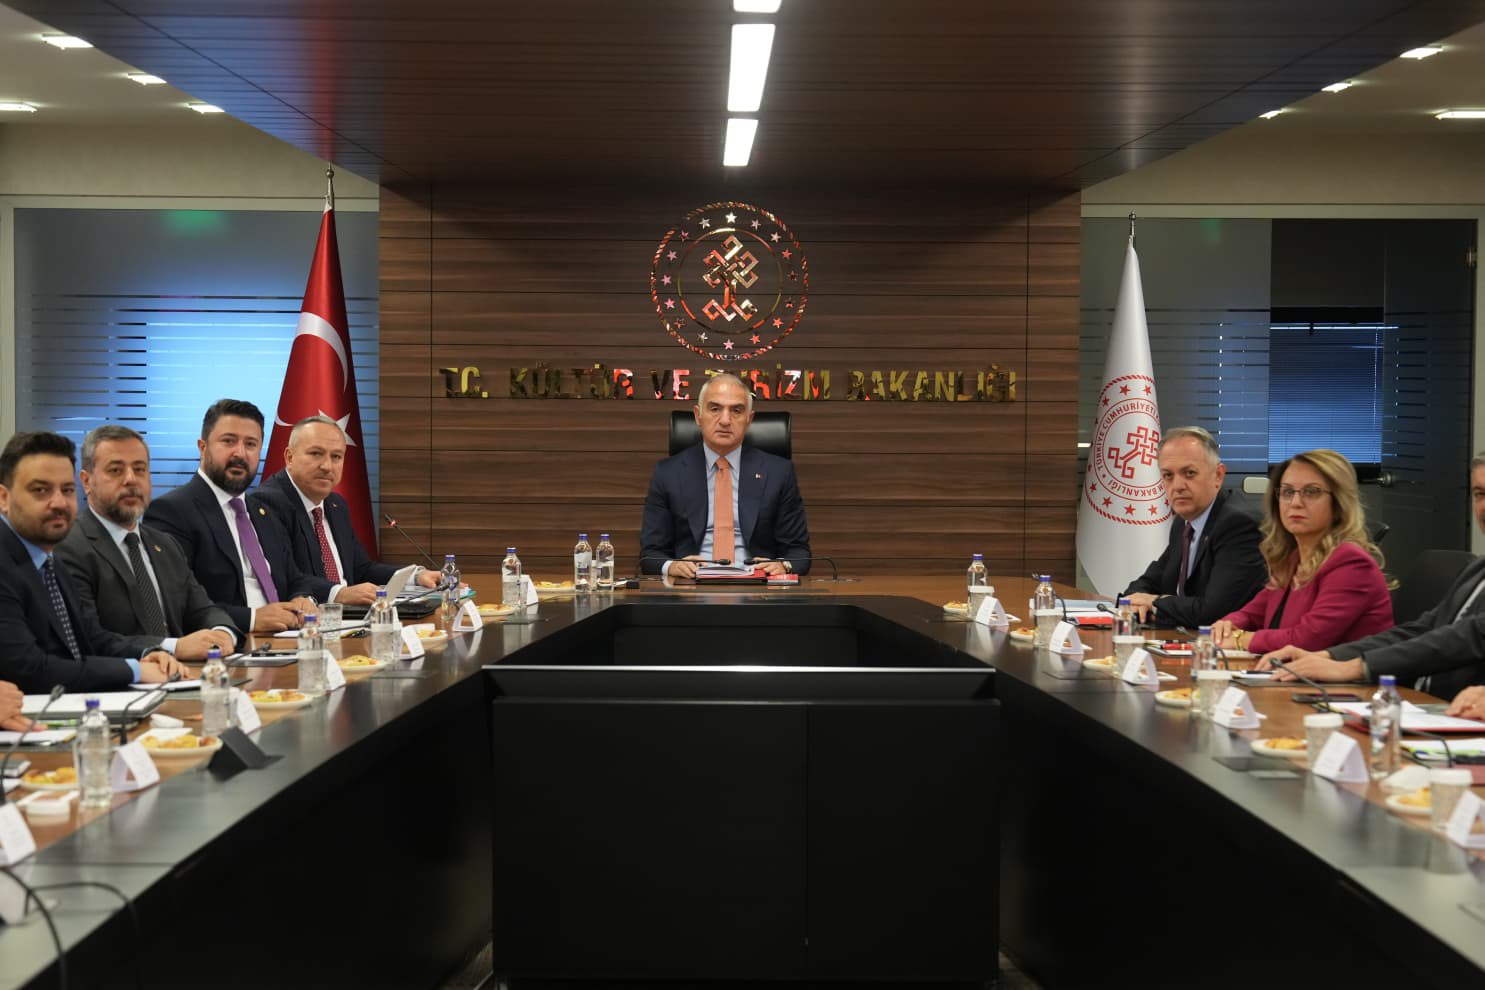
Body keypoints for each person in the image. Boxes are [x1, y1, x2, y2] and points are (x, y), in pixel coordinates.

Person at [1263, 454, 1485, 698]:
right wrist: (1329, 657)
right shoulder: (1478, 569)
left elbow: (1469, 637)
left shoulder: (1349, 561)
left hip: (1452, 710)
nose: (1484, 506)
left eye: (1312, 492)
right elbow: (1422, 630)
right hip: (1421, 704)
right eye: (1480, 494)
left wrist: (1352, 668)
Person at [0, 431, 188, 692]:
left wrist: (147, 655)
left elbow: (93, 639)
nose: (59, 503)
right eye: (41, 490)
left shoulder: (51, 564)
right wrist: (134, 671)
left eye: (67, 490)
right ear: (4, 498)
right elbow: (29, 669)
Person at [56, 424, 242, 661]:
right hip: (126, 678)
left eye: (140, 469)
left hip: (186, 673)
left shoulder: (165, 544)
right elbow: (89, 638)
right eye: (115, 470)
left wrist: (223, 632)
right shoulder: (69, 547)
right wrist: (172, 647)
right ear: (86, 481)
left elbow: (203, 609)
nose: (131, 480)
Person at [144, 399, 316, 634]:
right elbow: (178, 602)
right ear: (202, 447)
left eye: (251, 444)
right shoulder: (172, 511)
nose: (240, 453)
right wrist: (253, 619)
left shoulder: (263, 511)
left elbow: (295, 577)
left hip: (288, 636)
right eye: (228, 441)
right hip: (231, 641)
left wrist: (302, 598)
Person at [1210, 450, 1392, 654]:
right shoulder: (1293, 558)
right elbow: (1252, 614)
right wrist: (1228, 625)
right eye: (1288, 492)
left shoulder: (1352, 563)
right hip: (1292, 671)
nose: (1295, 502)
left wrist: (1240, 639)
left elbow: (1306, 640)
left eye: (1312, 491)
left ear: (1339, 502)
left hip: (1341, 675)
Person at [250, 415, 439, 605]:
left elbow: (361, 569)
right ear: (289, 457)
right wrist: (338, 594)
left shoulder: (335, 504)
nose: (327, 466)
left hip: (350, 615)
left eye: (336, 456)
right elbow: (284, 577)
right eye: (316, 453)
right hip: (308, 618)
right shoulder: (266, 504)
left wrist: (415, 576)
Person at [640, 373, 811, 578]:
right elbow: (650, 554)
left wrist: (783, 565)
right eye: (715, 409)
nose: (725, 420)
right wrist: (672, 566)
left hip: (757, 585)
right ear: (698, 415)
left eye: (736, 411)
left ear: (749, 419)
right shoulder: (668, 473)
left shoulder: (778, 473)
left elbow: (798, 551)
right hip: (691, 585)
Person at [1121, 426, 1267, 627]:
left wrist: (1154, 603)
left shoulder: (1239, 525)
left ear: (1218, 476)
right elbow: (1147, 583)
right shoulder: (1183, 523)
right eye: (1168, 475)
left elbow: (1213, 612)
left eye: (1189, 473)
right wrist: (1135, 600)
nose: (1177, 486)